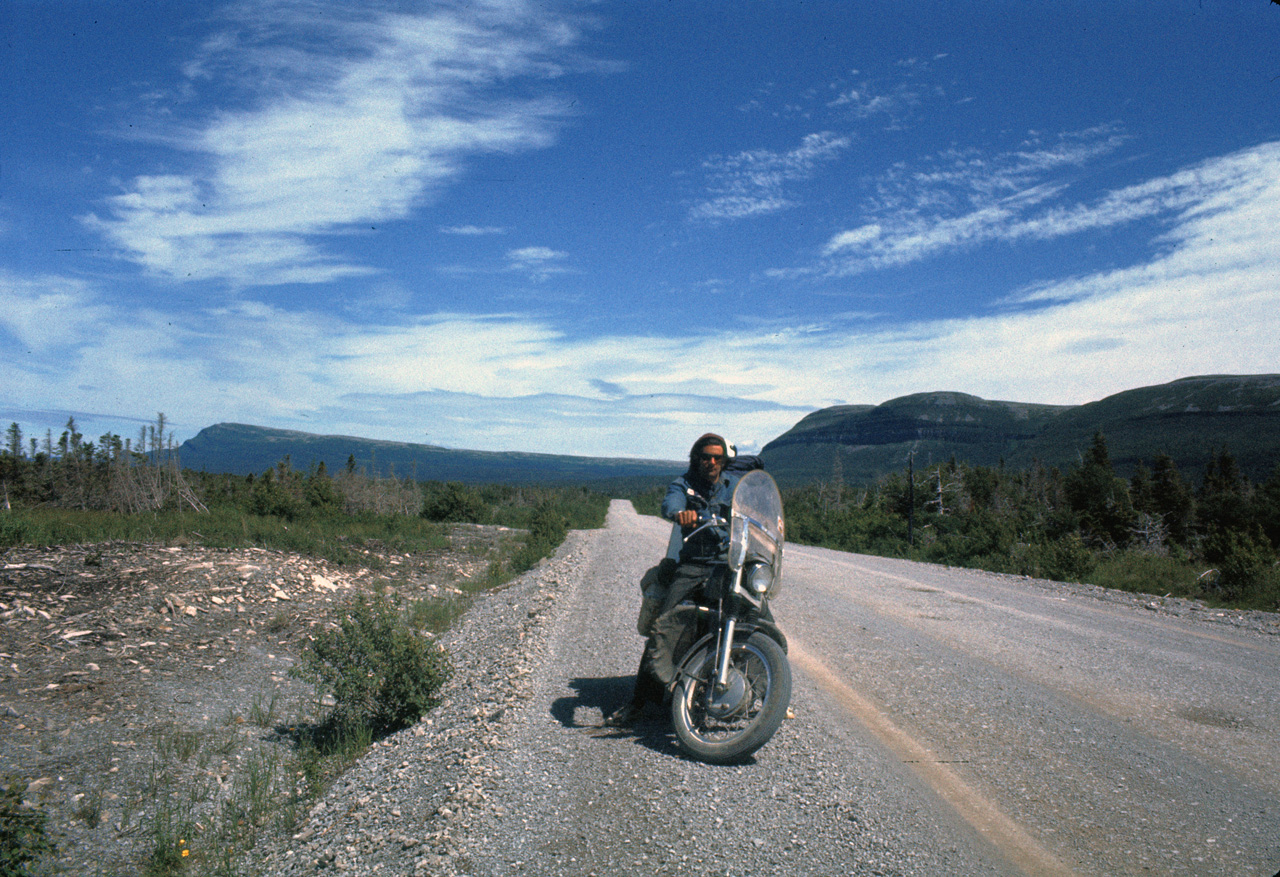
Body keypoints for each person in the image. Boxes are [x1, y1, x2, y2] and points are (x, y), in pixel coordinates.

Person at [608, 433, 761, 726]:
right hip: (694, 564)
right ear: (696, 459)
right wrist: (680, 513)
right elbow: (670, 504)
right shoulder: (684, 484)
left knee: (758, 617)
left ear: (724, 460)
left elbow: (752, 509)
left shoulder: (734, 486)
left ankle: (763, 693)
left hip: (729, 563)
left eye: (717, 457)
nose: (712, 462)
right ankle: (638, 702)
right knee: (664, 624)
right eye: (705, 457)